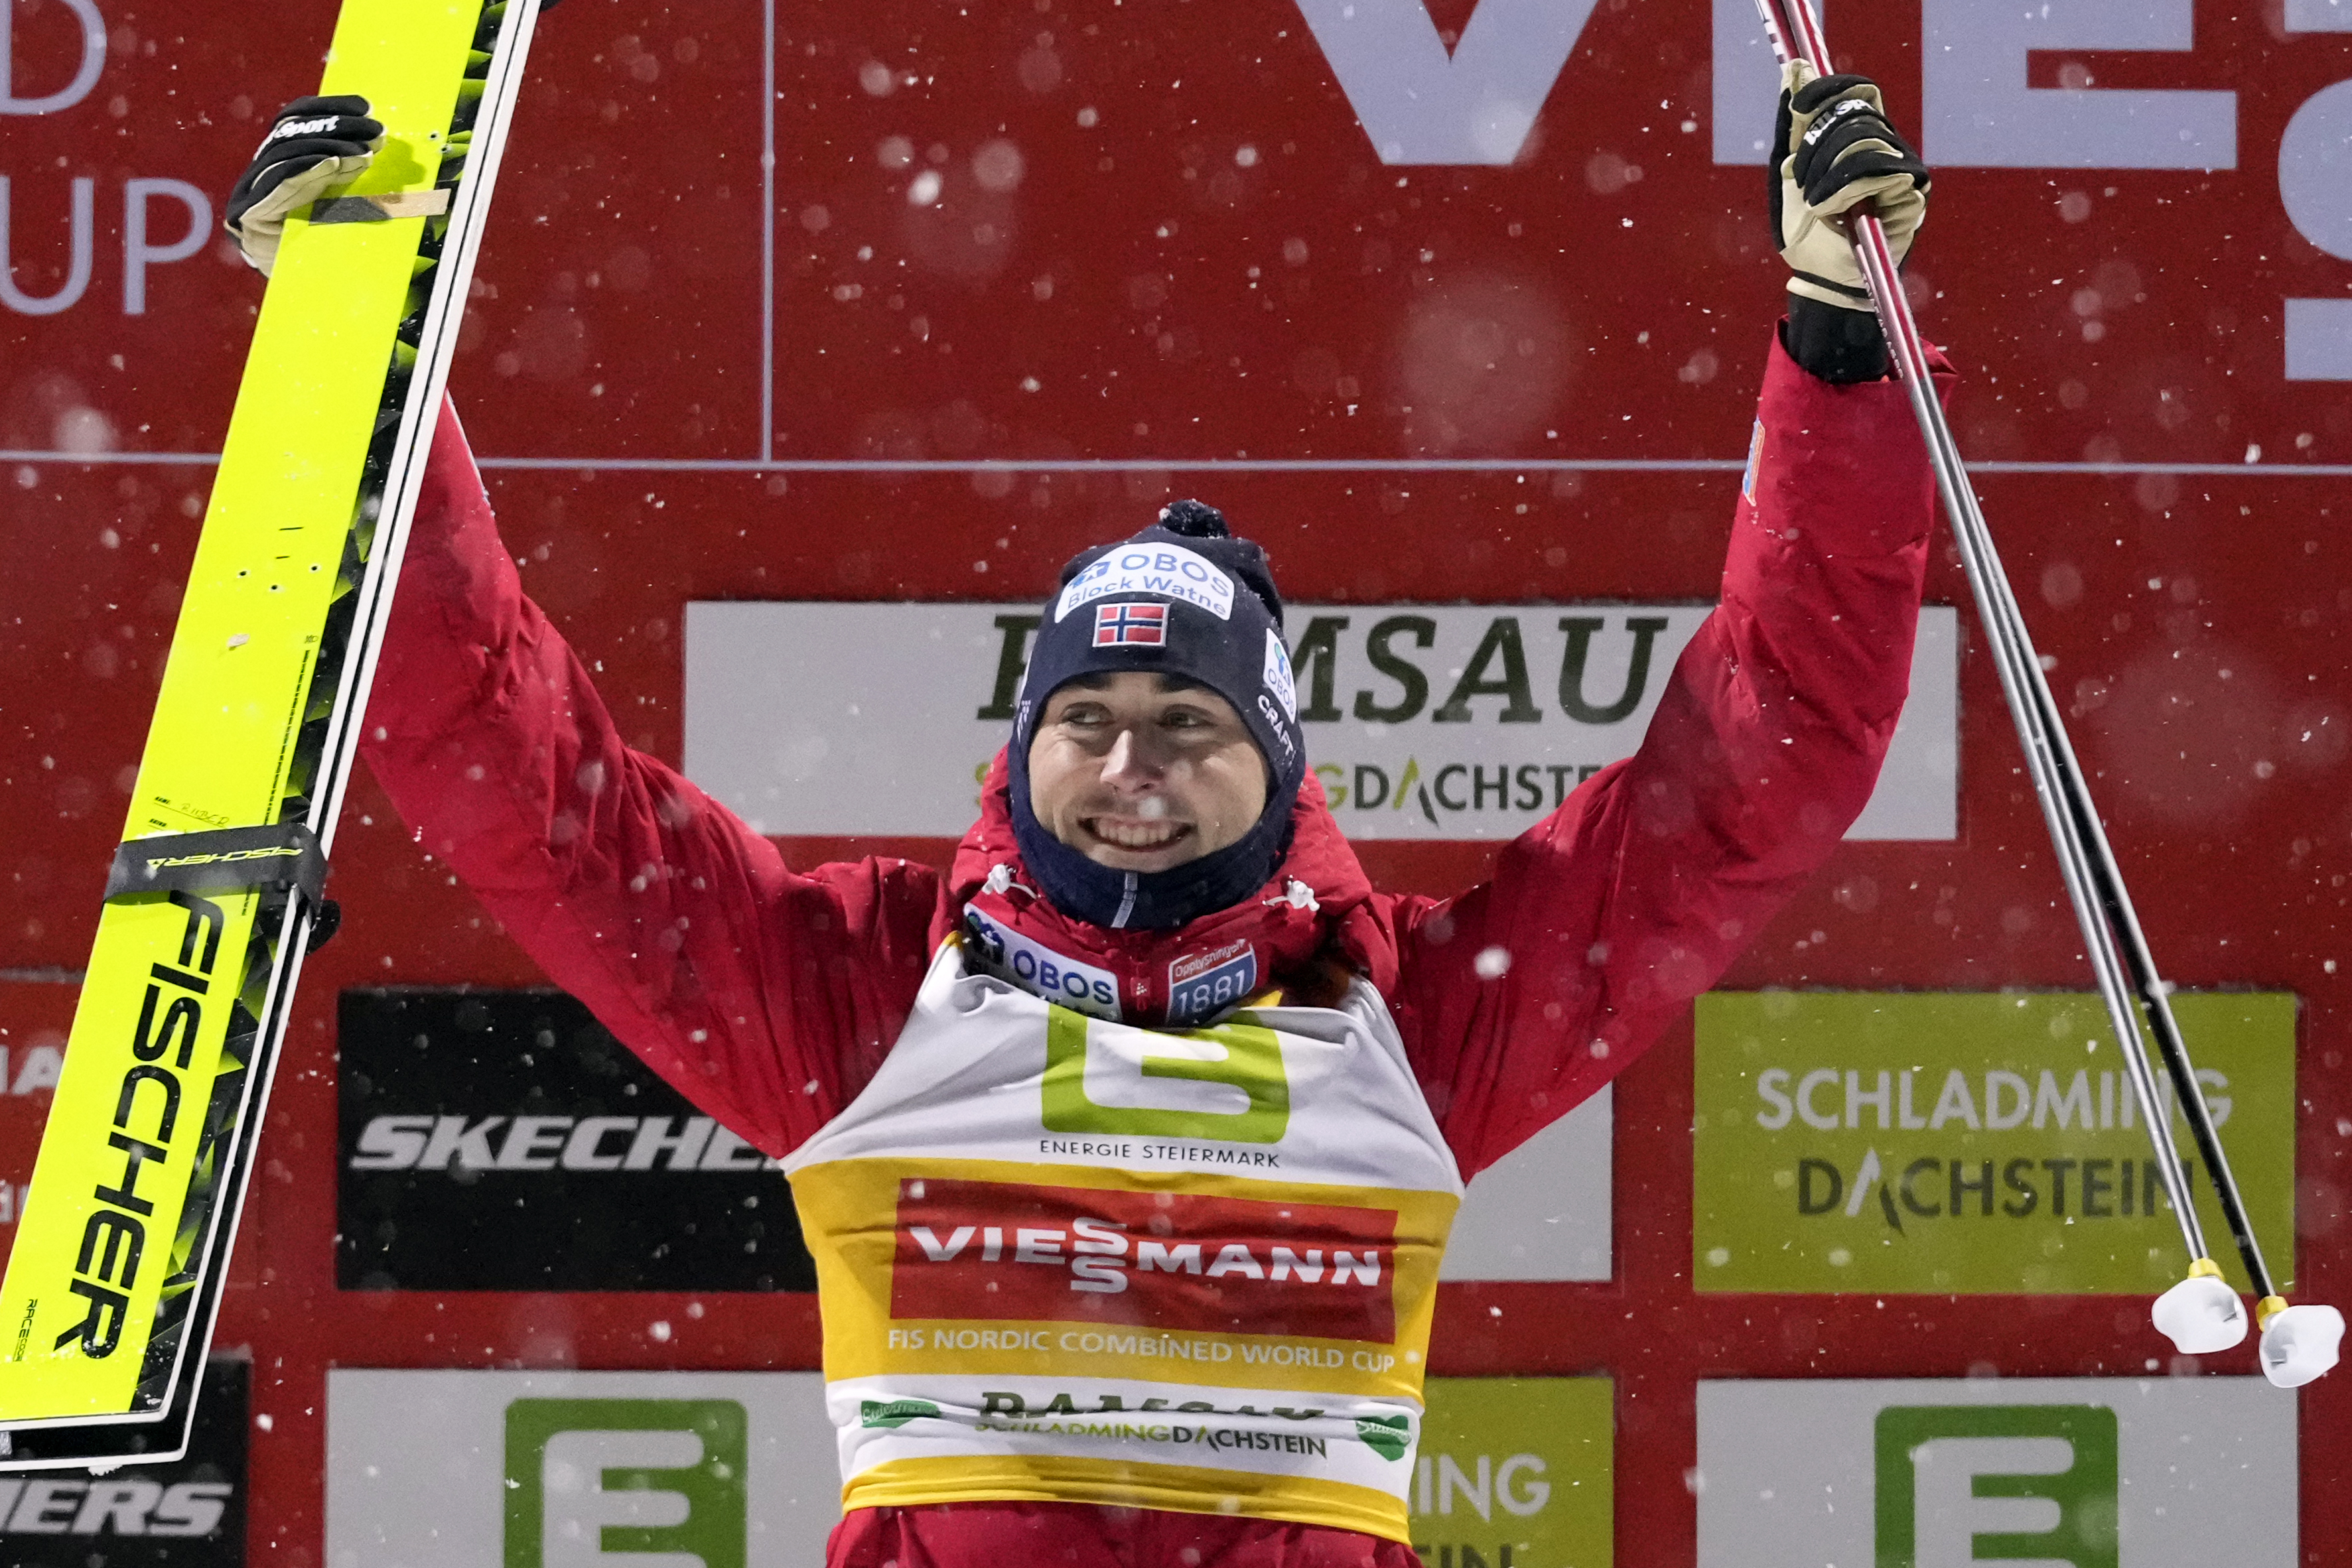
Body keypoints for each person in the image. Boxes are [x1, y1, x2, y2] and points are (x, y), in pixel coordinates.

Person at [228, 59, 1941, 1568]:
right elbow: (515, 772)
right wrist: (362, 369)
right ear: (1023, 745)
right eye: (1089, 721)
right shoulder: (864, 998)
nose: (1130, 766)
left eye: (1189, 725)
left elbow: (1766, 764)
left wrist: (1836, 343)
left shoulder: (1404, 1022)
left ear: (1278, 766)